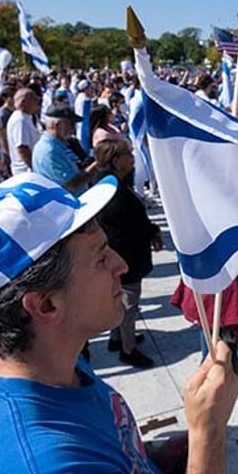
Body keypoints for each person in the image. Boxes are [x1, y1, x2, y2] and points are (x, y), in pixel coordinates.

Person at [0, 172, 238, 474]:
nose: (121, 265)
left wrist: (151, 460)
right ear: (47, 304)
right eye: (101, 258)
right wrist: (209, 432)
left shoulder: (44, 365)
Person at [94, 139, 162, 369]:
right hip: (126, 258)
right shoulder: (116, 194)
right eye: (127, 154)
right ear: (115, 160)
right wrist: (151, 232)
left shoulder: (111, 184)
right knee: (128, 305)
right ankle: (128, 349)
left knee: (121, 302)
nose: (132, 158)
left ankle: (117, 338)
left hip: (122, 255)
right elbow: (132, 225)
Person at [32, 104, 98, 194]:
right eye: (70, 124)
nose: (73, 129)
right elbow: (70, 185)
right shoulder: (49, 151)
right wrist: (98, 164)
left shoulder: (60, 145)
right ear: (57, 126)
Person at [6, 88, 40, 175]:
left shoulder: (25, 118)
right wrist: (35, 168)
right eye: (33, 99)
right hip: (25, 171)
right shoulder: (20, 120)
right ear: (23, 102)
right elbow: (22, 149)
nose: (37, 101)